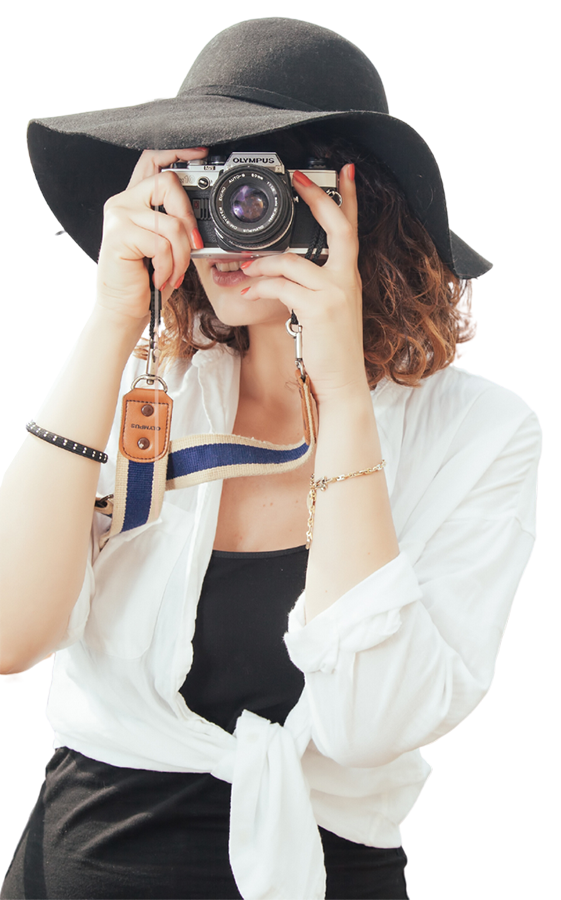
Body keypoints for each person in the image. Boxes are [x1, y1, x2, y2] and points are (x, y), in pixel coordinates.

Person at [0, 17, 542, 900]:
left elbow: (371, 725)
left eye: (263, 187)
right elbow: (9, 637)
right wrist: (112, 320)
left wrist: (340, 389)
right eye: (204, 182)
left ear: (355, 205)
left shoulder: (477, 433)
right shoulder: (143, 392)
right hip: (84, 862)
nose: (232, 218)